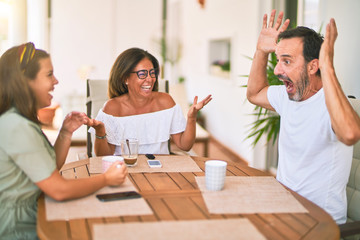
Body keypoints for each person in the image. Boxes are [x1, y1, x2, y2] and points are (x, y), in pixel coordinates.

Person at [0, 42, 128, 239]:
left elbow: (50, 168)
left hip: (36, 211)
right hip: (18, 229)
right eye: (49, 74)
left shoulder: (20, 120)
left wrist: (65, 133)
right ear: (26, 81)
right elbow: (59, 190)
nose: (56, 81)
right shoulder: (16, 126)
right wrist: (106, 179)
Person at [246, 10, 360, 224]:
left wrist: (329, 68)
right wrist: (261, 51)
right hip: (283, 210)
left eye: (286, 61)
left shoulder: (332, 104)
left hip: (318, 223)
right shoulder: (289, 95)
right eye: (278, 60)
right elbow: (254, 93)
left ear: (313, 66)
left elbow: (351, 133)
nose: (278, 70)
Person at [88, 47, 212, 156]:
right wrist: (100, 131)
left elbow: (185, 145)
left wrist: (191, 118)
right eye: (142, 74)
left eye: (152, 73)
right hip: (124, 170)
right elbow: (102, 155)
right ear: (125, 78)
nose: (150, 79)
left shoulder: (165, 102)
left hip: (160, 170)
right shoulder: (112, 108)